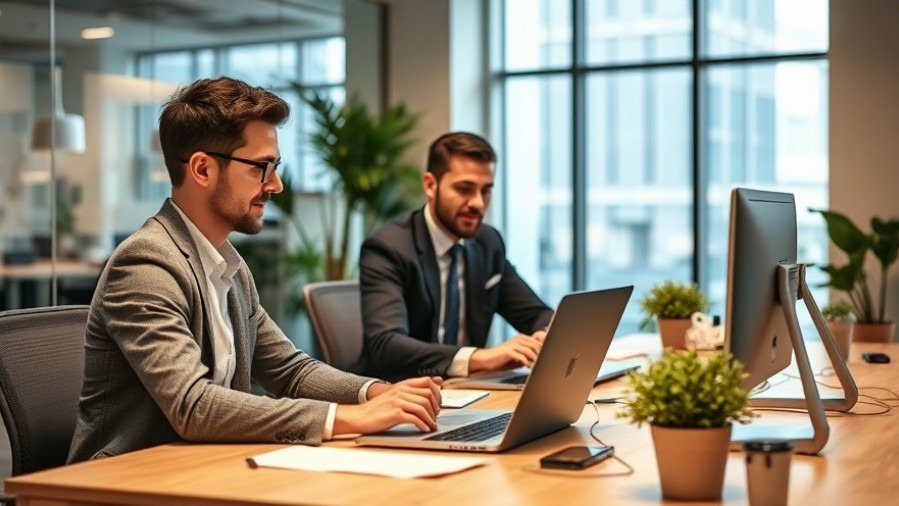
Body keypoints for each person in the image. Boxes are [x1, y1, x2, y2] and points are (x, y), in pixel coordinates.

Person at [67, 77, 442, 463]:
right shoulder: (146, 264)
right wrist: (351, 417)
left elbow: (289, 371)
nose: (275, 185)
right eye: (261, 168)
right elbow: (193, 407)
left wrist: (376, 393)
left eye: (275, 167)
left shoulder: (228, 265)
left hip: (205, 467)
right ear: (202, 169)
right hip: (126, 481)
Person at [359, 131, 554, 381]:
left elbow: (537, 314)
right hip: (404, 396)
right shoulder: (388, 248)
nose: (478, 203)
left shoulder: (487, 242)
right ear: (430, 185)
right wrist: (482, 358)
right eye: (465, 189)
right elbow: (387, 345)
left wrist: (544, 335)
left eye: (486, 191)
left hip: (471, 393)